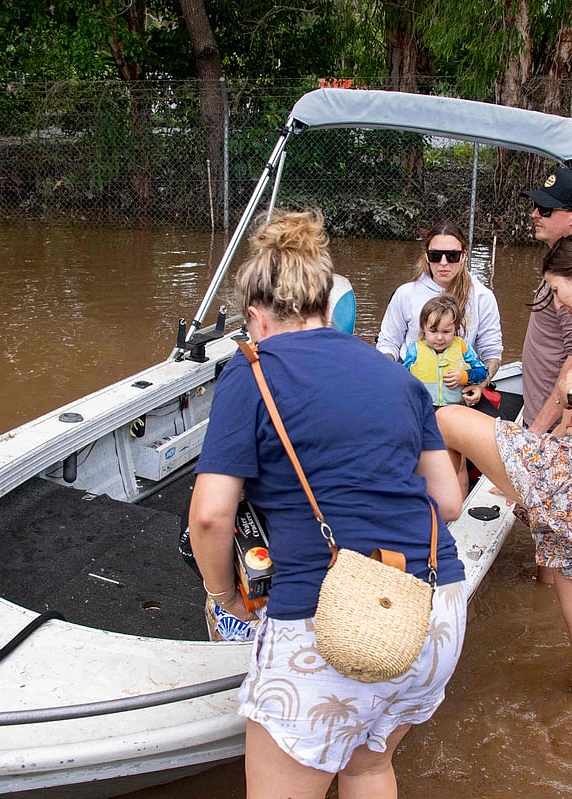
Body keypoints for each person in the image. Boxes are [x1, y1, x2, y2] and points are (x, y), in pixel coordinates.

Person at [188, 209, 467, 799]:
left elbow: (211, 515)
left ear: (256, 315)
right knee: (368, 768)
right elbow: (448, 501)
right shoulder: (398, 377)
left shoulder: (252, 369)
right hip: (431, 609)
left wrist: (221, 600)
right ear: (324, 303)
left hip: (327, 618)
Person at [434, 233, 572, 698]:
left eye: (556, 290)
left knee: (447, 418)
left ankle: (439, 524)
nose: (555, 302)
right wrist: (517, 468)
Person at [376, 219, 502, 406]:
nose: (443, 263)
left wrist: (481, 386)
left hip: (463, 396)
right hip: (414, 395)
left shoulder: (482, 296)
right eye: (436, 255)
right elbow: (388, 343)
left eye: (452, 256)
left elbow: (492, 352)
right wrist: (394, 378)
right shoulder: (406, 293)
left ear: (463, 256)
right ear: (427, 256)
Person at [403, 295, 489, 408]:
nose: (439, 338)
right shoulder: (415, 350)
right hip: (423, 408)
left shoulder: (463, 347)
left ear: (455, 328)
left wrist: (465, 377)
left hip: (456, 408)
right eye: (433, 331)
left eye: (446, 331)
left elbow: (483, 372)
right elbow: (401, 376)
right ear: (423, 328)